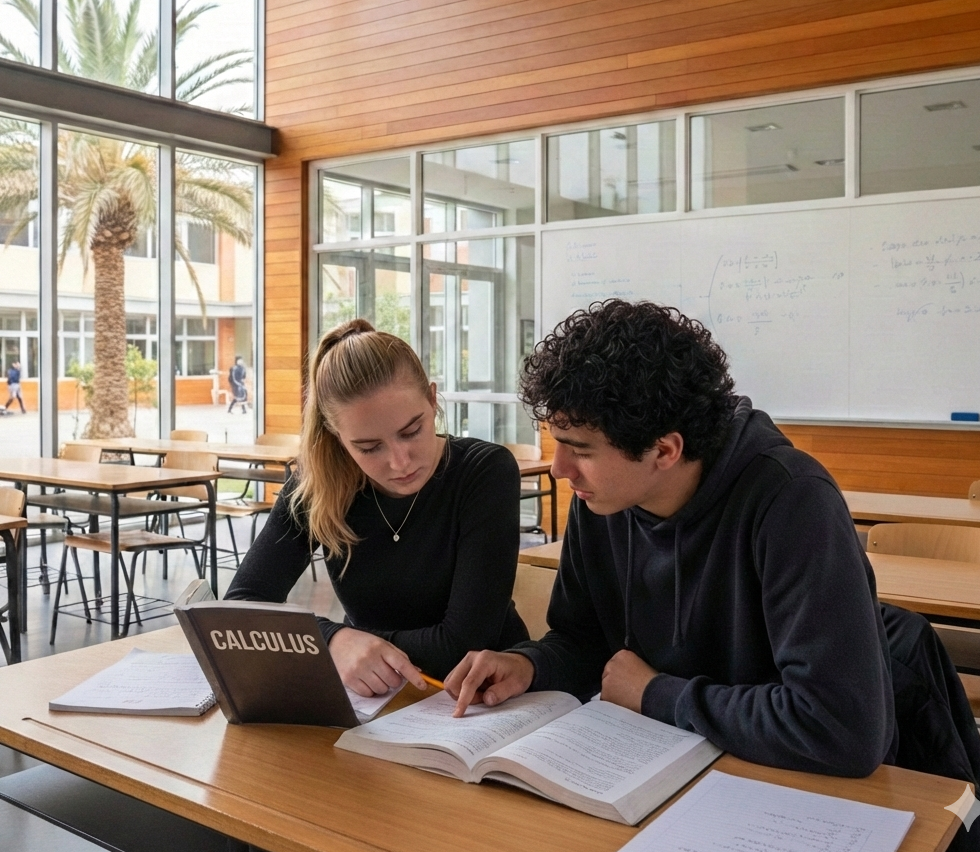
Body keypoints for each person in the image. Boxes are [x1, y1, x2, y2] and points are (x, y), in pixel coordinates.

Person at [446, 300, 896, 777]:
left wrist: (656, 693)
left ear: (664, 450)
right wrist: (529, 665)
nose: (559, 470)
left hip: (788, 785)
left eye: (580, 450)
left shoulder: (792, 502)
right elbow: (586, 643)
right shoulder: (602, 500)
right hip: (663, 765)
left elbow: (841, 728)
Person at [225, 319, 529, 697]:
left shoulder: (484, 471)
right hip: (376, 698)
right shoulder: (319, 485)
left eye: (412, 431)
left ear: (433, 400)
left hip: (484, 698)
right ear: (338, 439)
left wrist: (352, 643)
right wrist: (334, 641)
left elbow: (462, 646)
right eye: (369, 448)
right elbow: (240, 609)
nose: (400, 463)